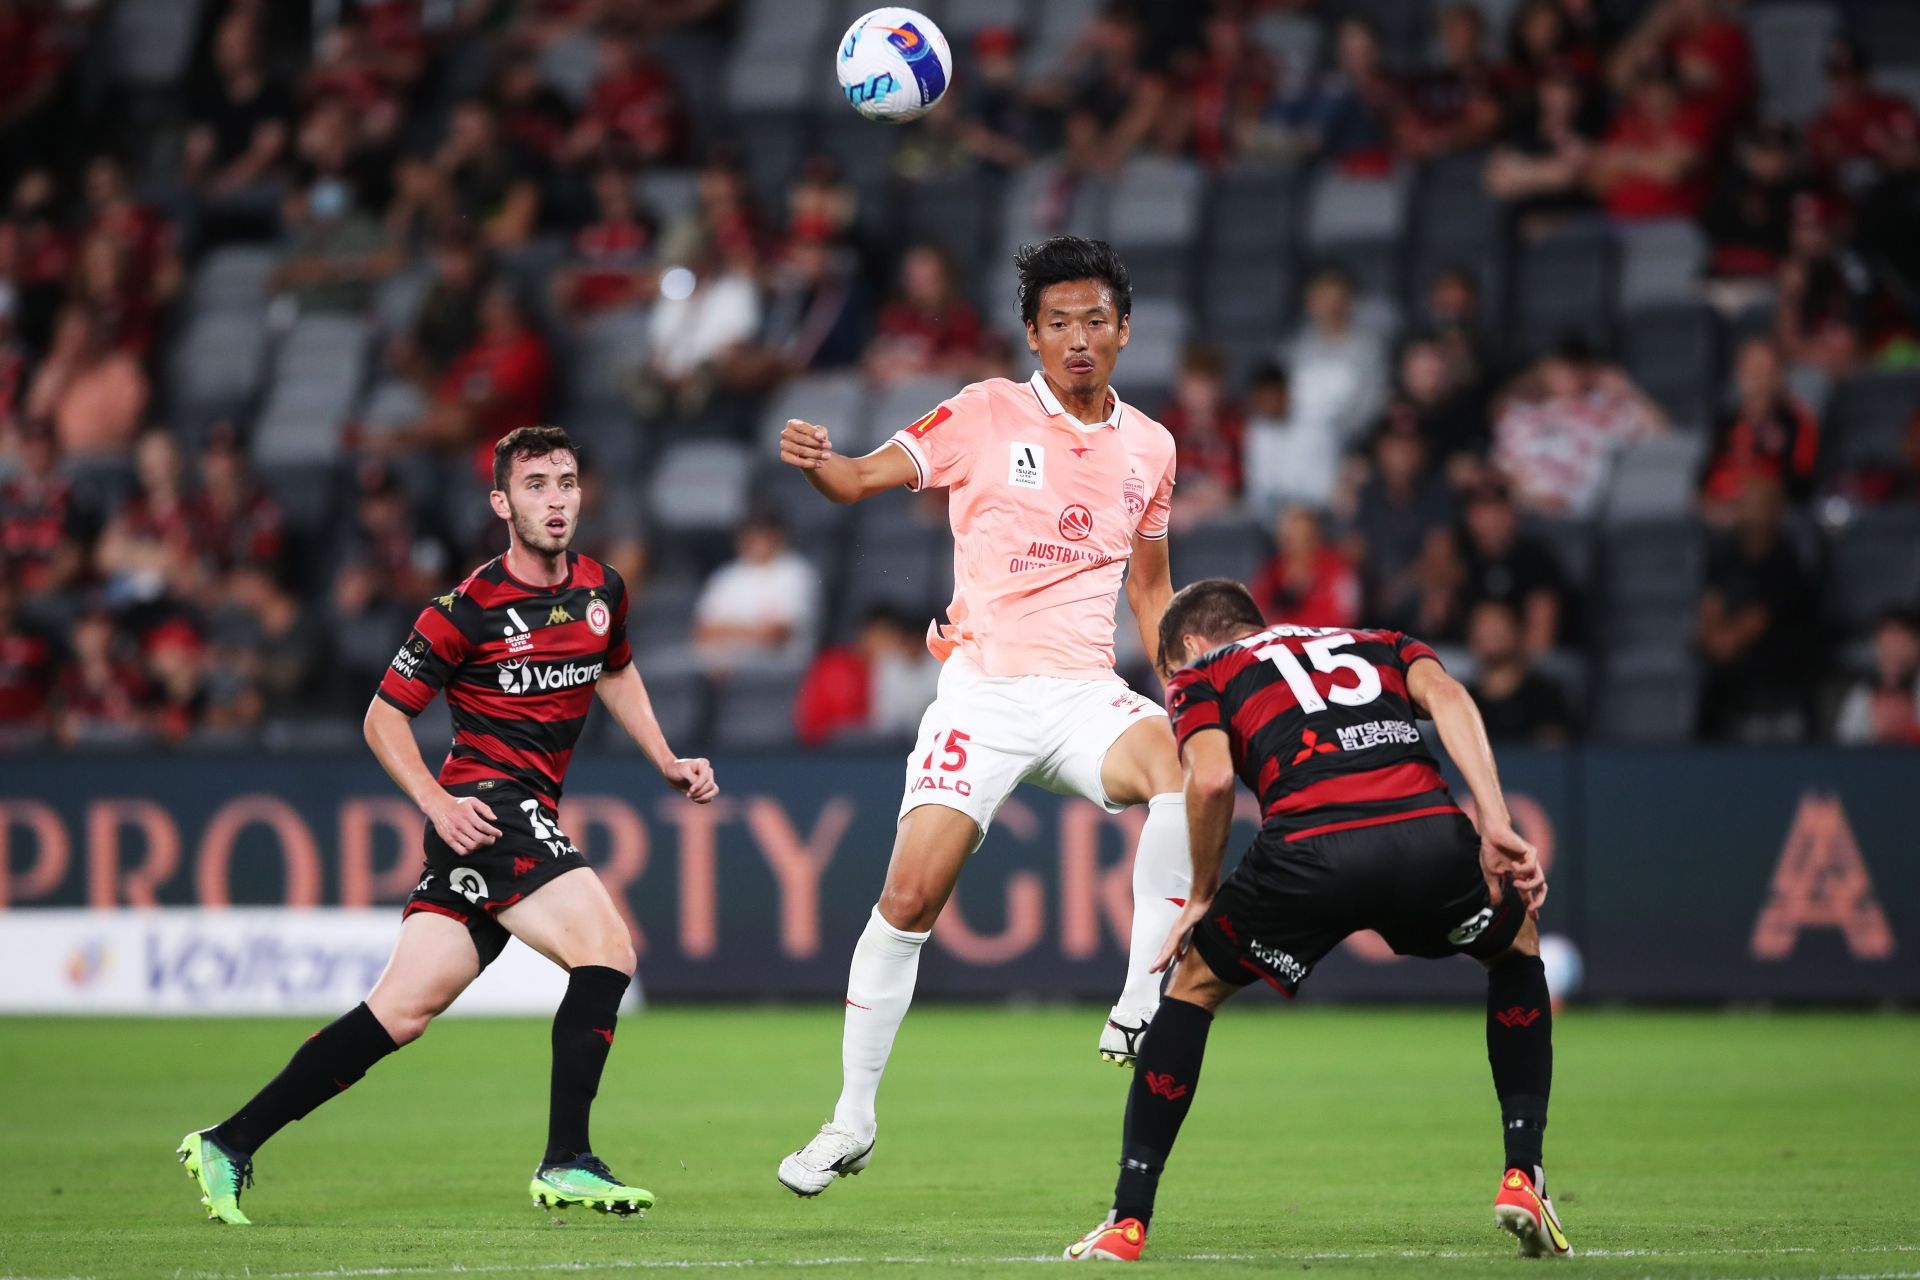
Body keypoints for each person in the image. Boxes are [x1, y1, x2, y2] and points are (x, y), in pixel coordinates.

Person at [177, 425, 719, 1225]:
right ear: (502, 502)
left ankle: (229, 1139)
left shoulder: (603, 591)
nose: (556, 499)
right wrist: (434, 800)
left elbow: (618, 669)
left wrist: (665, 757)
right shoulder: (464, 609)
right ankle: (567, 1160)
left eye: (566, 481)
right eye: (535, 485)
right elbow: (382, 718)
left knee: (400, 1012)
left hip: (501, 818)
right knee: (607, 952)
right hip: (487, 808)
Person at [774, 237, 1188, 1193]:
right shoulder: (983, 410)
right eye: (1057, 324)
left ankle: (1139, 993)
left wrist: (1187, 693)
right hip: (984, 695)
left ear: (1124, 330)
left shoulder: (1154, 446)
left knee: (1182, 769)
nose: (1077, 339)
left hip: (1087, 693)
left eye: (1094, 320)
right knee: (909, 902)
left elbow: (1153, 592)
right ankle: (851, 1120)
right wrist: (817, 464)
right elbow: (856, 480)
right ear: (1032, 336)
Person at [1061, 579, 1562, 1263]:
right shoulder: (1379, 641)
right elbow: (1449, 695)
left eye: (1167, 668)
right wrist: (1495, 819)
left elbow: (1206, 781)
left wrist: (1203, 893)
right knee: (1517, 948)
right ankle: (1522, 1172)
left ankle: (1129, 1219)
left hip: (1308, 851)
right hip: (1425, 833)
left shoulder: (1202, 674)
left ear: (1189, 645)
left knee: (1195, 987)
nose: (1170, 684)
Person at [1466, 598, 1575, 744]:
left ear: (1518, 630)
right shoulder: (1462, 698)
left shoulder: (1544, 696)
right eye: (1483, 624)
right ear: (1471, 636)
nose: (1491, 632)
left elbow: (1553, 757)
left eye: (1499, 623)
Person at [1834, 609, 1920, 746]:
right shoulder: (1863, 691)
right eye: (1886, 644)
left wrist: (1907, 731)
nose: (1893, 651)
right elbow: (1847, 741)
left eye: (1900, 643)